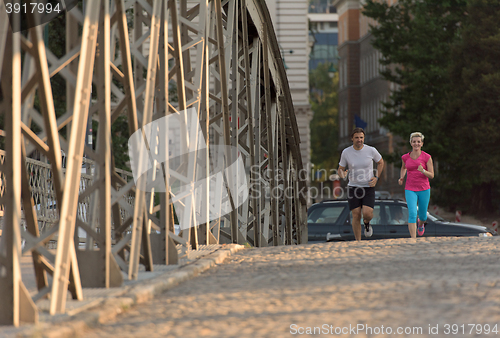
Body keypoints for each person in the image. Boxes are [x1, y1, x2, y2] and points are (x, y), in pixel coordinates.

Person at [338, 128, 384, 240]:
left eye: (361, 137)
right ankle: (358, 241)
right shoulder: (346, 152)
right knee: (356, 215)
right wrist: (342, 174)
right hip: (353, 187)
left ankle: (367, 223)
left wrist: (376, 177)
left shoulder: (371, 150)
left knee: (367, 214)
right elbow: (341, 168)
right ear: (352, 139)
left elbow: (381, 162)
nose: (359, 140)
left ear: (364, 138)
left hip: (368, 186)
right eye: (357, 138)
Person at [398, 132, 434, 238]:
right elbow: (403, 167)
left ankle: (421, 224)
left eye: (418, 142)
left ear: (422, 144)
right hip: (410, 189)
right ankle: (413, 240)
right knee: (412, 214)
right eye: (414, 142)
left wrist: (423, 171)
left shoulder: (427, 157)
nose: (416, 144)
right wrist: (401, 177)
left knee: (423, 216)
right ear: (411, 143)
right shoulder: (405, 157)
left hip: (424, 189)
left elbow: (431, 175)